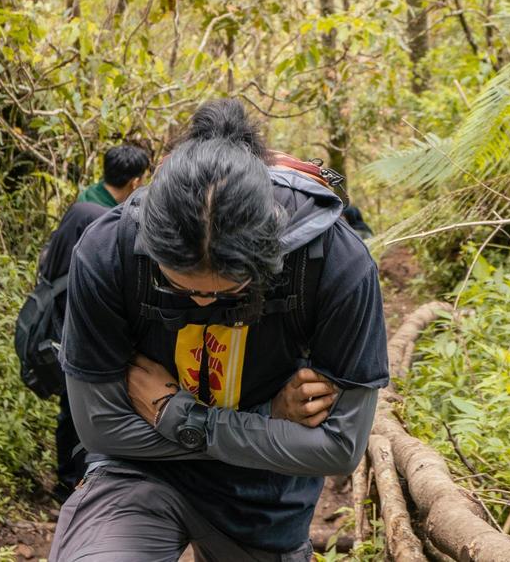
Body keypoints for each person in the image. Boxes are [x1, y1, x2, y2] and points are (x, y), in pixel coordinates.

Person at [51, 99, 389, 562]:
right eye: (179, 287)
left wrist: (180, 417)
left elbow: (338, 448)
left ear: (274, 247)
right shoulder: (108, 250)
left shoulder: (336, 264)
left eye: (228, 291)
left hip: (265, 498)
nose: (203, 303)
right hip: (137, 477)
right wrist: (271, 420)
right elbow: (102, 429)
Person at [33, 142, 153, 500]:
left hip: (63, 313)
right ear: (135, 181)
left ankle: (70, 477)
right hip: (83, 322)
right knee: (81, 404)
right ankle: (76, 480)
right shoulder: (106, 218)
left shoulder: (85, 200)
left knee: (73, 406)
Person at [78, 142, 152, 208]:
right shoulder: (110, 217)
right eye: (144, 180)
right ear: (135, 182)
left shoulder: (89, 194)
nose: (144, 184)